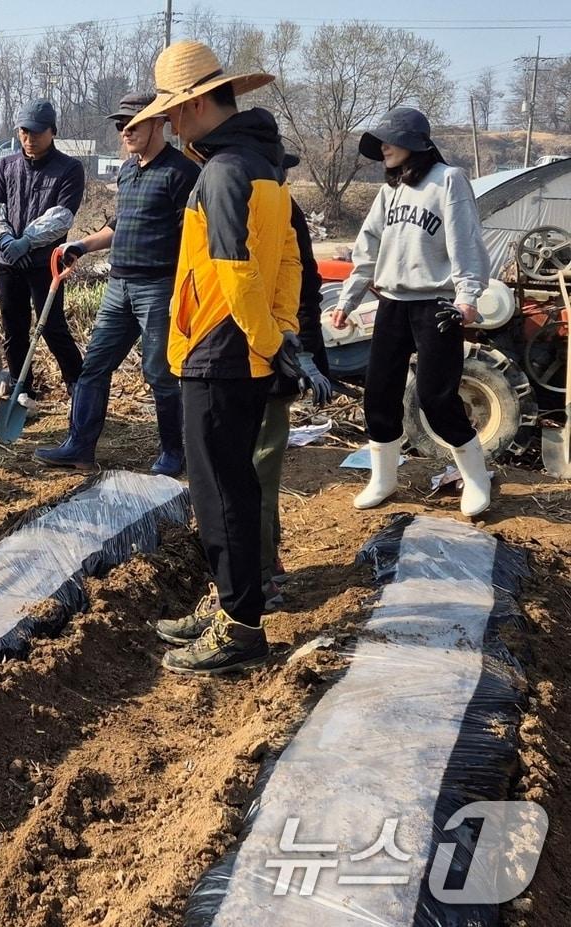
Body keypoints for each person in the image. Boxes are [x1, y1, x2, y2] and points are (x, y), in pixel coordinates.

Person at [129, 41, 300, 675]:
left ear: (200, 102)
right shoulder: (263, 164)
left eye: (173, 110)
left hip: (219, 348)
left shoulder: (224, 172)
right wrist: (278, 333)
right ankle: (231, 601)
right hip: (241, 346)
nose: (169, 123)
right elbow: (286, 260)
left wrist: (267, 339)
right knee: (230, 482)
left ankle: (239, 629)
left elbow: (235, 270)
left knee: (219, 489)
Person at [333, 106, 493, 517]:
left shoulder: (449, 180)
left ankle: (477, 479)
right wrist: (348, 299)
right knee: (379, 392)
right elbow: (367, 247)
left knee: (435, 397)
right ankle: (384, 478)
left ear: (414, 144)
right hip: (391, 303)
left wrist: (468, 296)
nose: (383, 148)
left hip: (436, 305)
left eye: (389, 140)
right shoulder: (390, 191)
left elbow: (466, 240)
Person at [35, 92, 199, 474]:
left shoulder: (182, 172)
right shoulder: (127, 171)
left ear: (158, 122)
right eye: (120, 125)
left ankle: (174, 453)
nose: (125, 131)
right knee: (94, 366)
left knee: (160, 373)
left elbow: (194, 235)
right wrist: (81, 245)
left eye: (134, 123)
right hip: (119, 285)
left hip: (159, 288)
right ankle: (79, 447)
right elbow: (118, 225)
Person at [253, 153, 333, 608]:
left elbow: (302, 284)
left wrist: (302, 352)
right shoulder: (246, 202)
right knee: (253, 467)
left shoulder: (284, 209)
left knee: (259, 468)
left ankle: (262, 576)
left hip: (272, 357)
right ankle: (263, 563)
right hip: (243, 358)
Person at [0, 99, 85, 410]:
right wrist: (5, 242)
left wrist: (26, 242)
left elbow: (61, 216)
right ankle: (22, 389)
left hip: (47, 264)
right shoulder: (5, 166)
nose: (30, 139)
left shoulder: (69, 168)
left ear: (53, 131)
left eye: (38, 133)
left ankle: (79, 388)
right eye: (24, 132)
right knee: (14, 327)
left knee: (53, 326)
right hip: (9, 263)